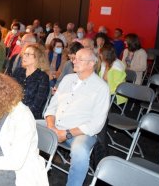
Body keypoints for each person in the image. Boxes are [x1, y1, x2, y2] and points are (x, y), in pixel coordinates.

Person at [44, 48, 110, 186]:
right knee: (26, 127)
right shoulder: (68, 79)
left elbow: (96, 124)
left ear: (92, 63)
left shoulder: (101, 87)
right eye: (75, 58)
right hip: (54, 126)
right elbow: (52, 107)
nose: (74, 60)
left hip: (79, 132)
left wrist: (66, 133)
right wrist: (51, 126)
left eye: (80, 59)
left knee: (80, 153)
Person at [13, 44, 50, 119]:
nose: (24, 56)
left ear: (37, 58)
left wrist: (18, 113)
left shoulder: (42, 77)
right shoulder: (18, 71)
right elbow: (9, 93)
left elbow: (36, 106)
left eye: (28, 54)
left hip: (29, 116)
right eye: (24, 54)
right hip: (13, 111)